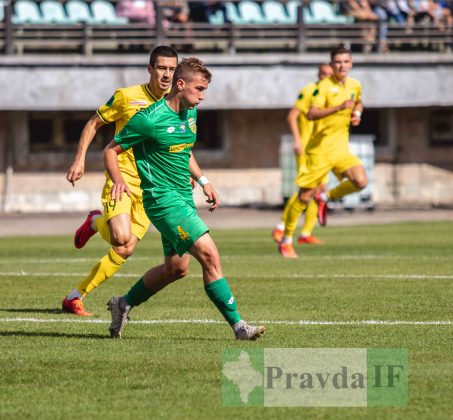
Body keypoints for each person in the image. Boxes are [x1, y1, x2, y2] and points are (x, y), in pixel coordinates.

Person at [103, 57, 265, 341]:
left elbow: (184, 149)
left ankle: (123, 303)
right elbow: (109, 151)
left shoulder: (190, 112)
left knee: (176, 269)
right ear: (181, 84)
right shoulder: (149, 120)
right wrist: (118, 181)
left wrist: (203, 180)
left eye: (205, 90)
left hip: (183, 199)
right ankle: (239, 327)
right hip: (163, 201)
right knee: (210, 255)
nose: (202, 96)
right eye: (199, 89)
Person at [61, 46, 178, 316]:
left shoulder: (175, 103)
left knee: (124, 249)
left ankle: (75, 296)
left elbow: (176, 142)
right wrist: (79, 160)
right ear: (150, 69)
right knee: (120, 236)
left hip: (151, 186)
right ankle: (95, 222)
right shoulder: (127, 97)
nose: (166, 74)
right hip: (120, 179)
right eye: (161, 68)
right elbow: (93, 123)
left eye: (172, 69)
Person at [278, 46, 368, 259]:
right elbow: (311, 113)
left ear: (351, 63)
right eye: (337, 62)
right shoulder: (323, 87)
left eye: (345, 61)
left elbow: (359, 102)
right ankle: (286, 239)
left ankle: (326, 196)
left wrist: (356, 113)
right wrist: (338, 108)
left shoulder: (355, 85)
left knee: (361, 181)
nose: (342, 66)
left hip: (341, 149)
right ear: (332, 64)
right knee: (303, 196)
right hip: (319, 151)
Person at [272, 63, 334, 246]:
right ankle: (281, 227)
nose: (326, 77)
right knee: (307, 189)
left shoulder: (332, 94)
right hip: (307, 149)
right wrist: (297, 140)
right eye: (323, 74)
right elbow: (292, 116)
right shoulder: (310, 91)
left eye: (329, 75)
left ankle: (306, 232)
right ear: (319, 74)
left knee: (319, 190)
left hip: (323, 150)